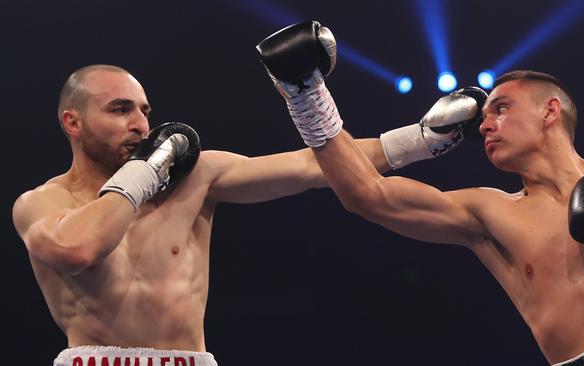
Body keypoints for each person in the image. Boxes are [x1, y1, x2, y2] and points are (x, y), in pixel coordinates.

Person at [258, 21, 584, 365]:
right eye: (485, 117)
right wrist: (307, 97)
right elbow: (369, 194)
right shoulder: (489, 212)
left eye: (501, 109)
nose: (484, 126)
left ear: (550, 111)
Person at [11, 64, 395, 365]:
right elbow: (79, 249)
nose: (140, 124)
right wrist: (142, 173)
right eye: (120, 110)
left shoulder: (197, 178)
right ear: (72, 123)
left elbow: (310, 166)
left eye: (144, 110)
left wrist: (421, 138)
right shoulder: (43, 202)